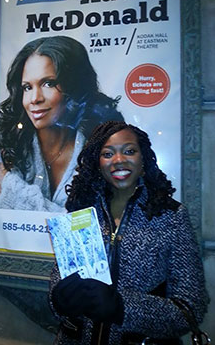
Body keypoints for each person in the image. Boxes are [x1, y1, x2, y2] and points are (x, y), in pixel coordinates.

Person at [49, 121, 208, 344]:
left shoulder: (171, 216)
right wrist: (58, 299)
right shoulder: (81, 209)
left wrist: (122, 308)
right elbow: (60, 275)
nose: (119, 160)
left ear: (143, 159)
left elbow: (191, 308)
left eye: (129, 151)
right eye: (107, 154)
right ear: (97, 162)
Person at [0, 36, 124, 212]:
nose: (35, 99)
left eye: (48, 83)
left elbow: (89, 229)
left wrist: (9, 188)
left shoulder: (102, 148)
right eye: (27, 87)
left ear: (74, 86)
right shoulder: (5, 140)